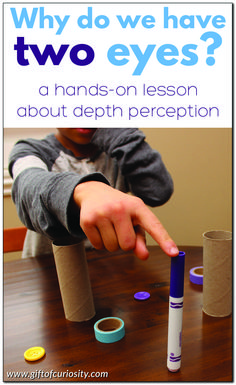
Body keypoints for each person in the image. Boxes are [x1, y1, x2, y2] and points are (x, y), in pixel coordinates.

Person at [8, 127, 179, 260]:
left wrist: (120, 133)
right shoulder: (29, 150)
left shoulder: (119, 149)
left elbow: (158, 192)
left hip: (111, 274)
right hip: (49, 279)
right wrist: (82, 190)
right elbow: (28, 187)